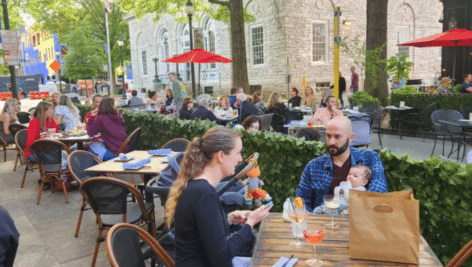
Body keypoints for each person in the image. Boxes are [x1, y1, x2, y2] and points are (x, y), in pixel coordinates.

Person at [165, 127, 272, 267]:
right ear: (220, 156)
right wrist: (250, 223)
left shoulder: (197, 187)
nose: (240, 159)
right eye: (238, 153)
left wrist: (229, 219)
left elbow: (202, 234)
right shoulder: (204, 194)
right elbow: (222, 258)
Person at [296, 116, 387, 212]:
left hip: (359, 220)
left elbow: (378, 193)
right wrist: (311, 218)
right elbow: (301, 200)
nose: (331, 142)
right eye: (328, 136)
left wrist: (348, 211)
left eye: (337, 136)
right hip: (324, 222)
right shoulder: (314, 166)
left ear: (351, 137)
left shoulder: (369, 158)